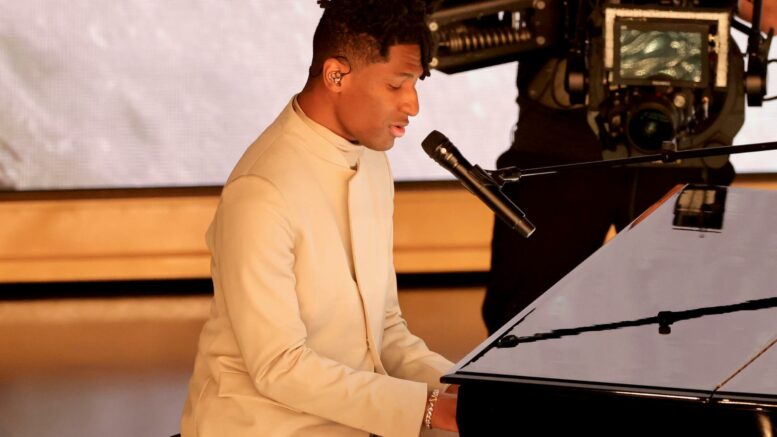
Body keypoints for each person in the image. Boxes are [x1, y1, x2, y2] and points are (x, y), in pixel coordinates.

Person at [181, 1, 459, 436]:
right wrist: (429, 408)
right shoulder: (260, 192)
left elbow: (385, 330)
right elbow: (279, 366)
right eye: (396, 85)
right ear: (336, 75)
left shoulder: (371, 162)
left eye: (416, 84)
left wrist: (466, 388)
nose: (413, 104)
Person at [482, 0, 777, 334]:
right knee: (522, 322)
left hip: (688, 128)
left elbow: (767, 13)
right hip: (564, 120)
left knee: (682, 320)